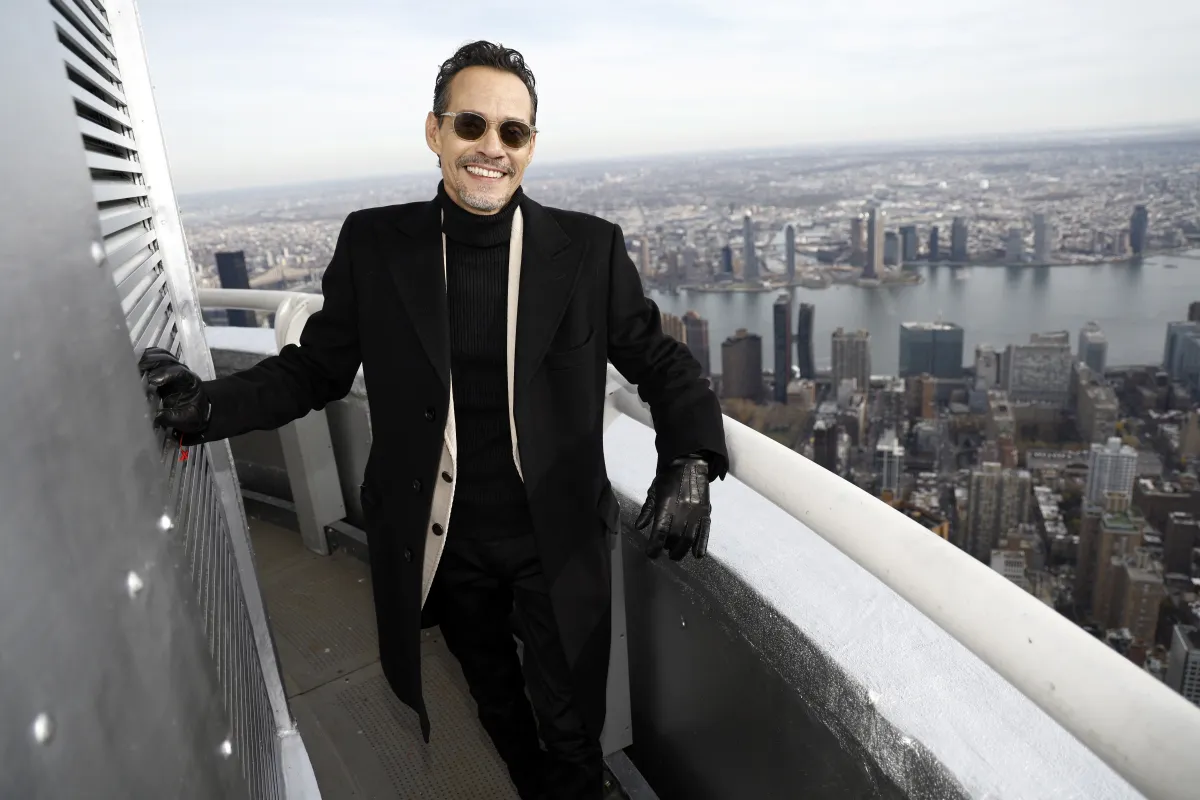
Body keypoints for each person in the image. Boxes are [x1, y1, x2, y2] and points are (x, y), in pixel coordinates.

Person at [139, 40, 727, 800]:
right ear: (435, 132)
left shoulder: (588, 250)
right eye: (471, 124)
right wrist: (204, 407)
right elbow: (314, 370)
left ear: (531, 147)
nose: (491, 147)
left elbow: (663, 361)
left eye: (511, 133)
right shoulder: (375, 244)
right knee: (491, 690)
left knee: (571, 710)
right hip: (438, 537)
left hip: (555, 536)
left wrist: (692, 459)